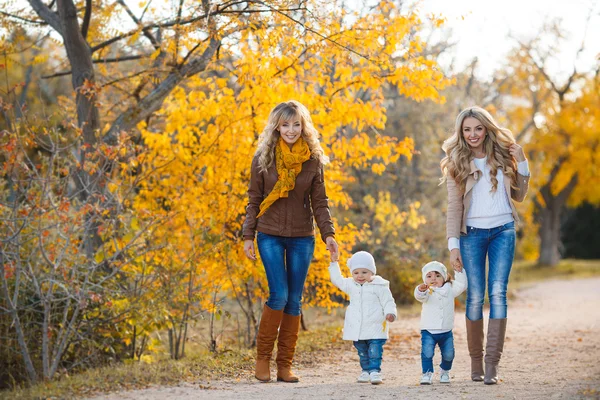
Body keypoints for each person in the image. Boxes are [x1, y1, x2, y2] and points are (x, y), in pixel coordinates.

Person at [243, 100, 339, 383]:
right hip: (269, 233)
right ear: (276, 126)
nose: (291, 130)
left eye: (296, 124)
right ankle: (263, 359)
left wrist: (328, 234)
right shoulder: (264, 157)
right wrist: (248, 235)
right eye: (285, 124)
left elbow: (319, 203)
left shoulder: (312, 159)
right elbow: (253, 200)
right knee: (279, 295)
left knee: (294, 301)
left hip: (301, 237)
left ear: (303, 125)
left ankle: (284, 365)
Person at [440, 106, 530, 385]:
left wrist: (523, 163)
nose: (472, 135)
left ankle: (492, 365)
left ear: (486, 128)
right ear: (461, 132)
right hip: (471, 235)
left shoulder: (503, 155)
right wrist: (453, 245)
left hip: (503, 229)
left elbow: (520, 195)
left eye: (477, 128)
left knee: (498, 292)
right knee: (475, 296)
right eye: (467, 130)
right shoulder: (456, 161)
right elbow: (454, 207)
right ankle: (476, 363)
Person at [328, 251, 397, 385]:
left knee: (375, 350)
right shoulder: (350, 285)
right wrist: (334, 263)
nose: (360, 276)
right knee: (362, 351)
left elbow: (388, 301)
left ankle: (375, 371)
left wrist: (390, 313)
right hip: (358, 328)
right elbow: (337, 280)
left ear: (372, 272)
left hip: (376, 326)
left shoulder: (379, 286)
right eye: (356, 272)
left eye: (364, 272)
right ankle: (365, 371)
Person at [414, 261, 467, 385]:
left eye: (437, 276)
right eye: (429, 276)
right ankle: (427, 374)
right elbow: (419, 296)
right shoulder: (426, 291)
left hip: (446, 330)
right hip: (428, 330)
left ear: (444, 277)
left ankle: (445, 371)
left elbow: (462, 285)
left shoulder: (450, 289)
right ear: (425, 279)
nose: (433, 279)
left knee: (449, 354)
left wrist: (459, 271)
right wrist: (420, 290)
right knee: (427, 353)